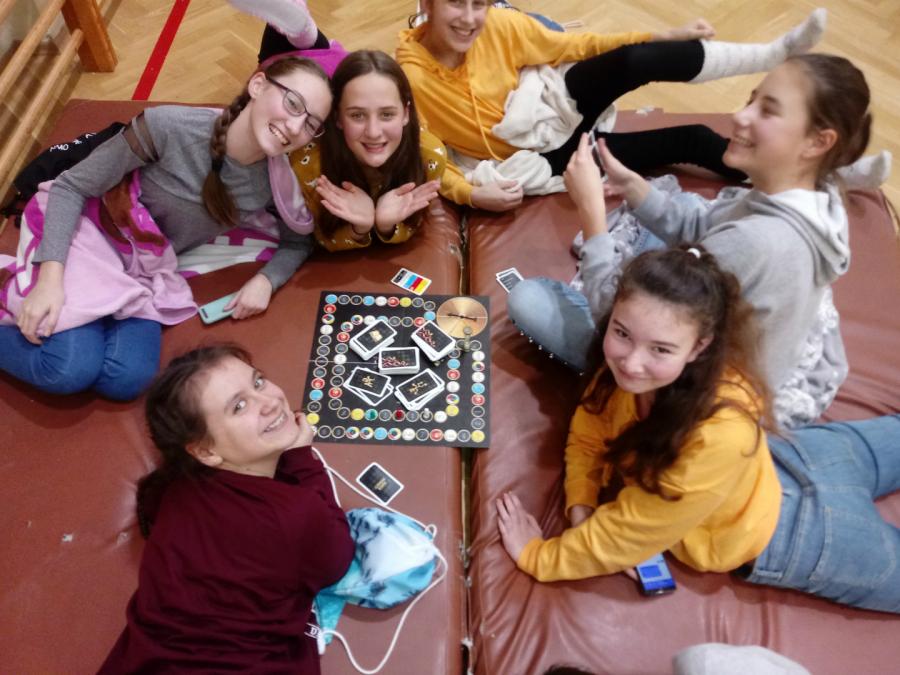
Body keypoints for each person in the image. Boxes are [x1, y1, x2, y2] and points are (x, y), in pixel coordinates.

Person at [496, 246, 900, 613]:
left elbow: (628, 535)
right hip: (790, 459)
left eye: (660, 349)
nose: (631, 363)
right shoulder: (622, 371)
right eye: (622, 333)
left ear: (699, 346)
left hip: (797, 531)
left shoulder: (720, 431)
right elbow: (590, 429)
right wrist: (580, 504)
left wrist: (537, 556)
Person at [509, 54, 873, 427]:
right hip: (736, 335)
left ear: (818, 142)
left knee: (529, 299)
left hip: (690, 391)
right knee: (679, 206)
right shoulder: (812, 199)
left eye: (768, 111)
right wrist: (634, 187)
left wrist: (592, 217)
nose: (740, 116)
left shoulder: (752, 244)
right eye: (751, 100)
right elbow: (702, 223)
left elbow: (625, 316)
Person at [0, 56, 331, 400]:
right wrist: (50, 280)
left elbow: (298, 242)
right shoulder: (169, 127)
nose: (296, 127)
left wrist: (266, 281)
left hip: (143, 267)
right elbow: (71, 187)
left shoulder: (274, 182)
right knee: (68, 370)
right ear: (258, 85)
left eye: (311, 124)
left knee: (126, 379)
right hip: (87, 236)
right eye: (293, 104)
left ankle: (93, 306)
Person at [396, 1, 827, 211]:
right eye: (456, 2)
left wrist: (658, 37)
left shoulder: (500, 24)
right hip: (545, 156)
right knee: (691, 140)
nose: (470, 18)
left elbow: (575, 46)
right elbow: (427, 155)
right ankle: (817, 177)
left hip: (550, 107)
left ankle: (771, 54)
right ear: (427, 4)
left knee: (636, 59)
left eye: (479, 3)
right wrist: (472, 194)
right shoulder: (410, 80)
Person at [99, 344, 354, 672]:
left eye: (258, 381)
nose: (270, 402)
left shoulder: (172, 488)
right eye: (239, 406)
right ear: (204, 451)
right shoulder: (295, 512)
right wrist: (301, 458)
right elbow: (337, 561)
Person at [290, 50, 445, 252]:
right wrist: (359, 228)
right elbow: (319, 238)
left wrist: (386, 225)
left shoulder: (430, 156)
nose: (373, 132)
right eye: (357, 115)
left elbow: (413, 224)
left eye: (387, 114)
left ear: (406, 114)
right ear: (337, 117)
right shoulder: (307, 162)